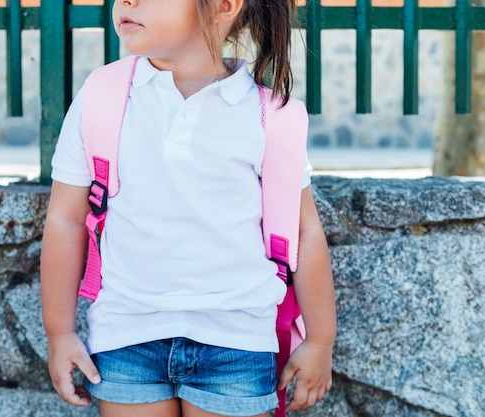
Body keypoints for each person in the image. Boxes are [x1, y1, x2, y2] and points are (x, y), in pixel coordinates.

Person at [40, 0, 337, 416]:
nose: (125, 1)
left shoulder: (271, 118)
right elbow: (66, 218)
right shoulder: (101, 96)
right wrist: (59, 331)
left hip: (237, 342)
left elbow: (304, 231)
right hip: (126, 334)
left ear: (223, 6)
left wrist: (320, 339)